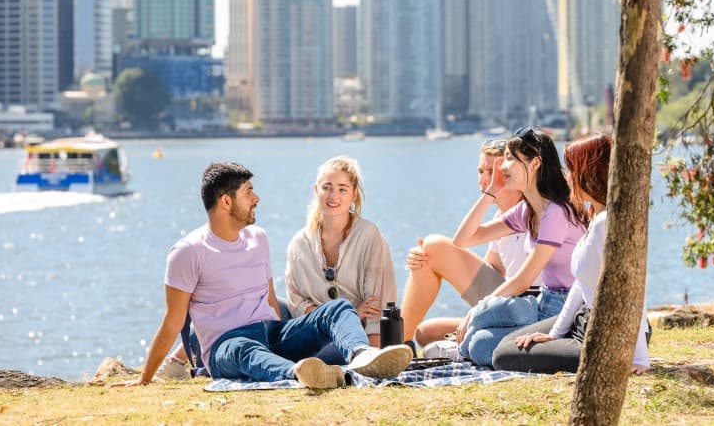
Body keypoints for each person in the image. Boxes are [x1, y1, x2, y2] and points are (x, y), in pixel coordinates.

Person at [112, 162, 412, 389]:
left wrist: (294, 334)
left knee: (338, 308)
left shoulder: (258, 238)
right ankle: (300, 374)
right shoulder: (187, 251)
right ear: (226, 202)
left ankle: (361, 357)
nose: (257, 198)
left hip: (271, 331)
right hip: (225, 346)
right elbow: (173, 321)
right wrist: (144, 379)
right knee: (245, 349)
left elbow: (269, 298)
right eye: (248, 192)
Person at [492, 132, 650, 374]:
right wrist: (554, 335)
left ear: (589, 173)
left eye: (572, 169)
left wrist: (638, 358)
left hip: (608, 334)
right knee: (506, 346)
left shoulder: (605, 223)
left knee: (504, 356)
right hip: (583, 319)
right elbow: (581, 284)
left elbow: (634, 288)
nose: (568, 176)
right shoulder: (593, 217)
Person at [453, 127, 588, 367]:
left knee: (481, 333)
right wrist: (490, 192)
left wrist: (476, 311)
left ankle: (546, 347)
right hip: (542, 302)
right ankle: (475, 347)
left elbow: (523, 280)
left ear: (535, 163)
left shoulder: (556, 213)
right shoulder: (528, 210)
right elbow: (463, 240)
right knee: (479, 338)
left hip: (566, 308)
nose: (502, 168)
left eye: (510, 159)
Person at [400, 138, 539, 349]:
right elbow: (494, 269)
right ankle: (398, 346)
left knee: (434, 246)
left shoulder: (535, 211)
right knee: (425, 332)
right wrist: (424, 257)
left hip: (529, 306)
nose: (484, 179)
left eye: (492, 172)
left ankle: (394, 344)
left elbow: (528, 281)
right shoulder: (501, 215)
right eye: (480, 171)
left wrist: (479, 310)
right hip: (504, 296)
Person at [285, 156, 395, 360]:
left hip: (359, 339)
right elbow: (297, 304)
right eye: (327, 187)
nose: (333, 195)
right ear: (316, 190)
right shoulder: (299, 244)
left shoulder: (369, 235)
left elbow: (375, 306)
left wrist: (373, 360)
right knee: (281, 311)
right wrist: (349, 314)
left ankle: (360, 357)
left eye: (342, 189)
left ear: (354, 194)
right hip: (314, 337)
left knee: (335, 352)